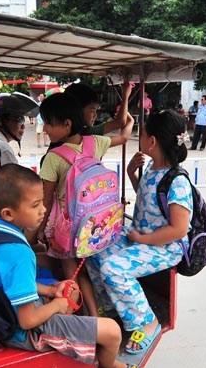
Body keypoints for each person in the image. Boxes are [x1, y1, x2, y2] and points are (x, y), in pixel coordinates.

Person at [0, 164, 150, 368]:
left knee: (68, 295)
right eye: (35, 205)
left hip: (3, 311)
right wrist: (57, 304)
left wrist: (49, 290)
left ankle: (83, 341)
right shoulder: (18, 253)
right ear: (9, 213)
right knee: (112, 332)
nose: (43, 209)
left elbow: (8, 282)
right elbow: (27, 320)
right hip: (23, 331)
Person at [86, 110, 192, 356]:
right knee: (95, 248)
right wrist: (132, 175)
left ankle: (145, 322)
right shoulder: (152, 169)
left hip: (166, 246)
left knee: (114, 268)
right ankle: (113, 307)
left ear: (152, 142)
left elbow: (178, 229)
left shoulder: (177, 181)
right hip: (141, 236)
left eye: (141, 135)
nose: (139, 138)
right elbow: (148, 197)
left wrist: (143, 239)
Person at [37, 93, 135, 316]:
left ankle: (80, 317)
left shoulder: (54, 157)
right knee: (89, 268)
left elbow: (47, 198)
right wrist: (129, 123)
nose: (45, 129)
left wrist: (40, 230)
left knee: (73, 274)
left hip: (67, 229)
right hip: (95, 224)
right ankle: (95, 312)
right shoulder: (95, 142)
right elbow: (123, 138)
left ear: (67, 124)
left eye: (48, 124)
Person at [0, 93, 36, 166]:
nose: (23, 126)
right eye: (19, 119)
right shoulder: (2, 149)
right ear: (0, 121)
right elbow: (15, 176)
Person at [63, 81, 132, 137]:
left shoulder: (62, 131)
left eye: (96, 110)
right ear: (77, 110)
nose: (95, 115)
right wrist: (125, 95)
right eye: (92, 110)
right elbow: (120, 124)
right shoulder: (85, 132)